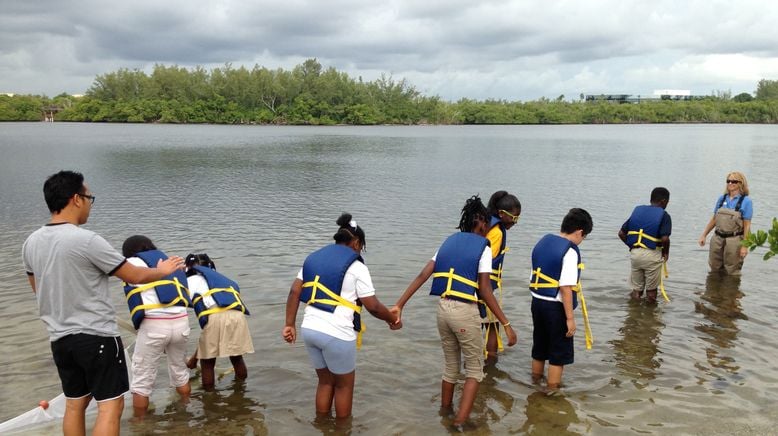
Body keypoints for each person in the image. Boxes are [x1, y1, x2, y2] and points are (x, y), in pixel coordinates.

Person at [22, 170, 185, 436]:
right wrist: (164, 270)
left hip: (60, 339)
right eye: (89, 198)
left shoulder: (31, 242)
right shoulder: (87, 240)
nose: (90, 204)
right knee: (111, 405)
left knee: (75, 404)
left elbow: (37, 290)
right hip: (96, 335)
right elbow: (134, 276)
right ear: (76, 199)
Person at [392, 195, 518, 428]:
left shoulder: (448, 242)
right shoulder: (483, 247)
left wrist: (399, 305)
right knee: (474, 370)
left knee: (451, 367)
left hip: (442, 309)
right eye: (485, 224)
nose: (487, 228)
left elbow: (423, 274)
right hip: (464, 310)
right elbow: (485, 290)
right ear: (479, 222)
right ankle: (459, 422)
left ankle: (445, 412)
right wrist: (506, 325)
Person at [282, 213, 399, 421]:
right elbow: (372, 305)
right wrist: (392, 319)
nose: (360, 251)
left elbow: (294, 292)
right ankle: (341, 431)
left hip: (310, 329)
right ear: (355, 242)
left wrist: (289, 324)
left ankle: (321, 425)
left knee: (325, 382)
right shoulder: (357, 267)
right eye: (361, 246)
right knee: (344, 387)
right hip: (337, 333)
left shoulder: (313, 258)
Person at [121, 235, 192, 419]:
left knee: (142, 381)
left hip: (154, 325)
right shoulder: (171, 261)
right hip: (181, 322)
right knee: (180, 371)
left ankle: (141, 424)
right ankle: (185, 411)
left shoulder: (131, 262)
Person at [529, 208, 592, 391]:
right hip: (556, 308)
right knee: (558, 354)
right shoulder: (570, 252)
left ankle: (534, 384)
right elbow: (565, 287)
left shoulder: (544, 241)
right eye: (584, 236)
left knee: (539, 348)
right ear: (579, 232)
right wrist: (570, 319)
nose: (582, 240)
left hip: (537, 302)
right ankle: (552, 392)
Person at [184, 253, 254, 389]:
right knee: (236, 357)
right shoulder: (225, 280)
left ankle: (209, 398)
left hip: (215, 315)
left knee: (207, 362)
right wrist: (194, 359)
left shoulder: (191, 280)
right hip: (237, 317)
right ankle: (241, 390)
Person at [483, 190, 521, 365]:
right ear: (501, 214)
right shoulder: (497, 233)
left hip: (472, 285)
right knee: (492, 324)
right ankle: (490, 364)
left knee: (483, 324)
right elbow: (486, 261)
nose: (515, 222)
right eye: (513, 218)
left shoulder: (485, 224)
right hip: (485, 285)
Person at [618, 187, 672, 303]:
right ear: (663, 201)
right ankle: (649, 318)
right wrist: (665, 253)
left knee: (636, 290)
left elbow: (621, 233)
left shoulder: (638, 211)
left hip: (635, 255)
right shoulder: (664, 215)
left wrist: (631, 247)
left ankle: (633, 314)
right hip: (652, 255)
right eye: (667, 202)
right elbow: (665, 239)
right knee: (651, 293)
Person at [699, 171, 753, 275]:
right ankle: (714, 290)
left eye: (734, 181)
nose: (730, 183)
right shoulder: (722, 198)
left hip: (735, 240)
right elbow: (714, 219)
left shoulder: (746, 201)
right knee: (714, 268)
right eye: (728, 181)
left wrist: (745, 246)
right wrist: (704, 235)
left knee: (732, 271)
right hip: (717, 238)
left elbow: (747, 226)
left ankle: (731, 290)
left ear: (741, 183)